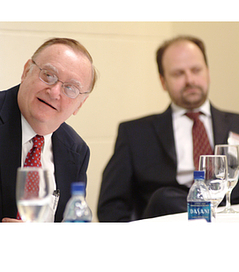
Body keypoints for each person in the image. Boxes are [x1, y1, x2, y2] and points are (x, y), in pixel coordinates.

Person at [0, 37, 97, 222]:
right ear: (26, 71)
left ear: (80, 104)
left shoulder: (77, 151)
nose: (54, 92)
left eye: (70, 88)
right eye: (48, 75)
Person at [98, 35, 239, 222]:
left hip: (229, 223)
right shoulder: (135, 134)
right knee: (164, 198)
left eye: (196, 70)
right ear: (163, 81)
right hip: (167, 223)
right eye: (178, 73)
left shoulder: (236, 124)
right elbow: (111, 206)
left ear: (208, 72)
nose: (190, 80)